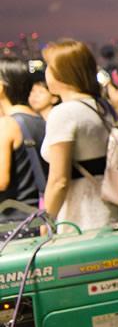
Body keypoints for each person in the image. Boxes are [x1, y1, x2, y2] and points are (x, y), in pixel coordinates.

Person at [40, 40, 118, 231]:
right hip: (117, 210)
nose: (46, 72)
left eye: (49, 66)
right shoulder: (103, 106)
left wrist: (46, 221)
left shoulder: (63, 113)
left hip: (83, 220)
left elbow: (59, 181)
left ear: (63, 72)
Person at [0, 58, 45, 234]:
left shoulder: (6, 124)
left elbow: (1, 181)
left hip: (11, 225)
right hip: (38, 220)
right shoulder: (39, 120)